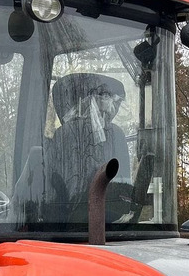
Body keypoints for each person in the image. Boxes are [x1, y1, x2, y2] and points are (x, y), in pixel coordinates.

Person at [44, 73, 131, 224]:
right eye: (103, 97)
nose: (111, 106)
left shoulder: (115, 135)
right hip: (106, 222)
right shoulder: (67, 134)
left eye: (111, 99)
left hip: (70, 222)